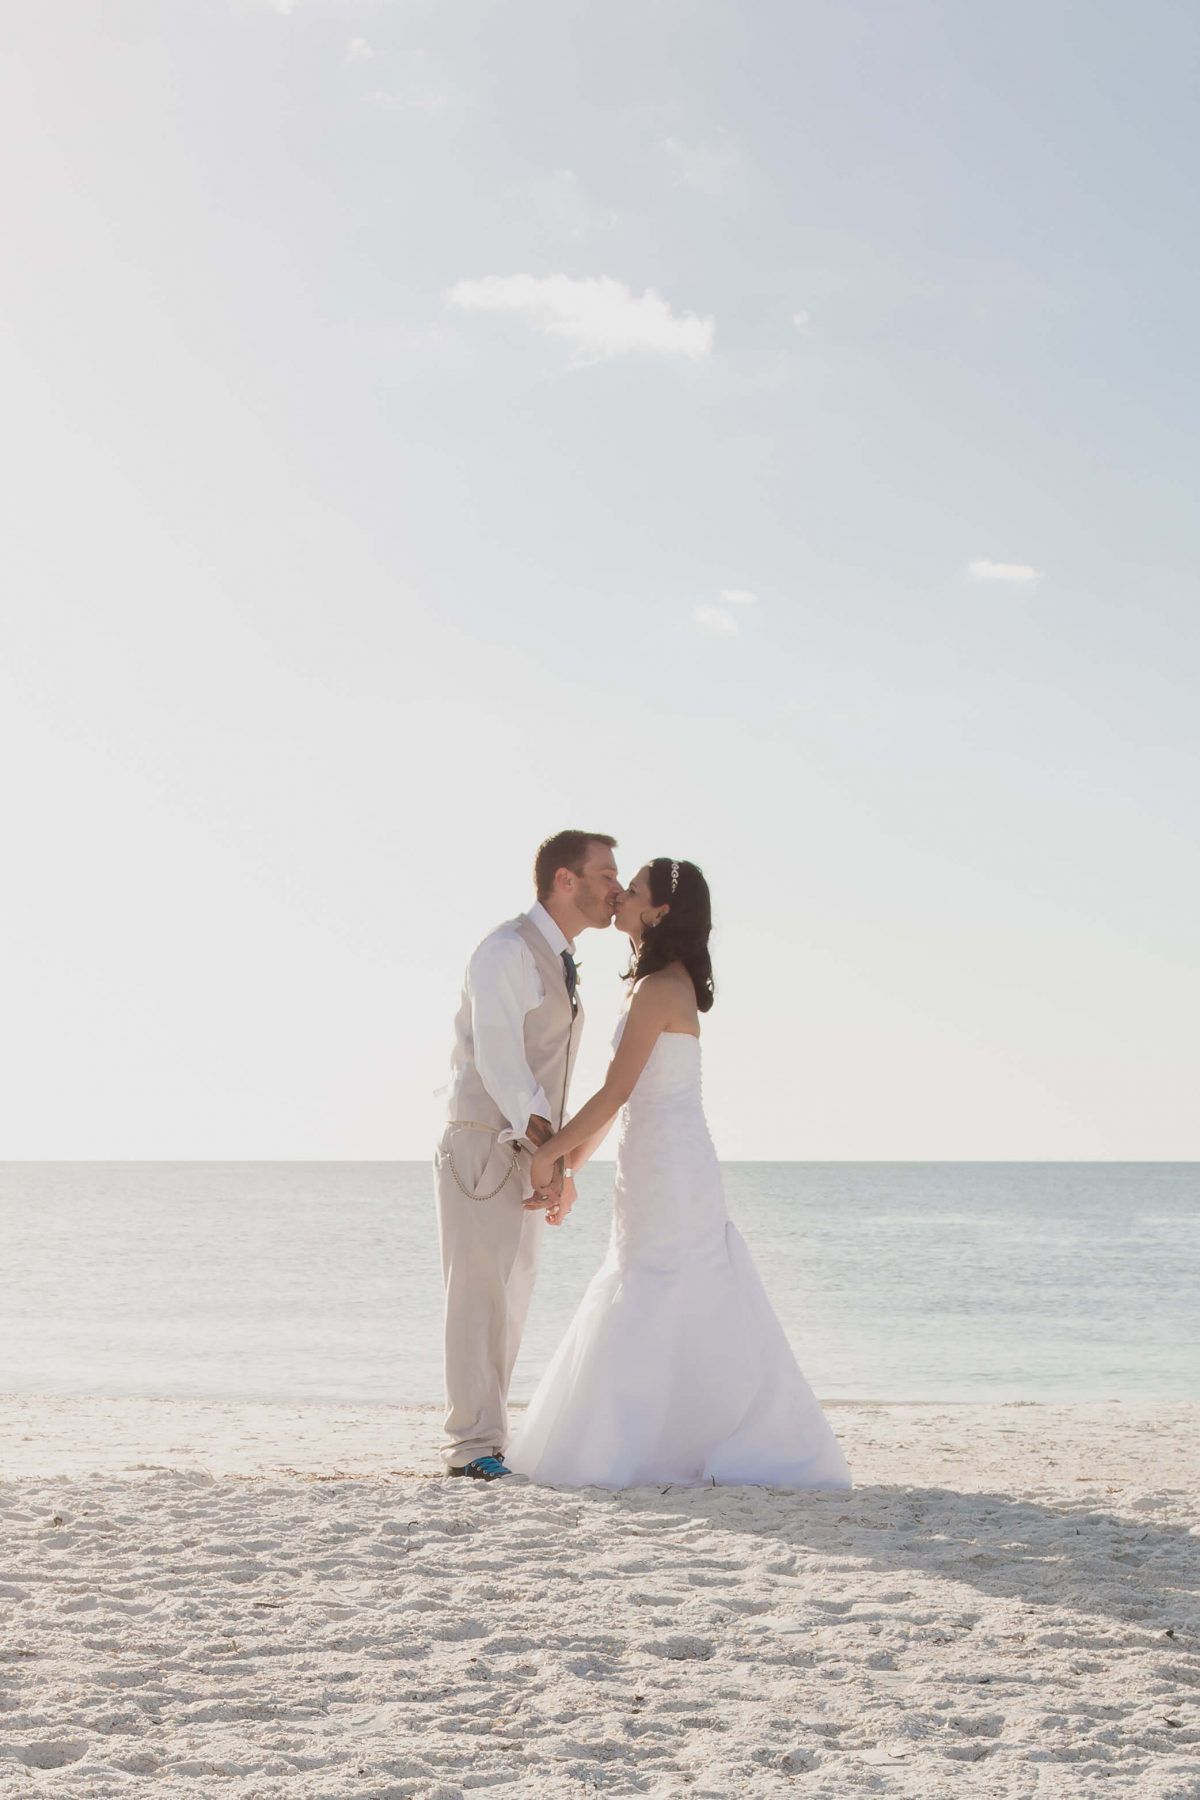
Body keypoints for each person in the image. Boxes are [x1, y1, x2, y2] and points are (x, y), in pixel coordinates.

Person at [508, 857, 851, 1491]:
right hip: (655, 1155)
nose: (620, 895)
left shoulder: (662, 988)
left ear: (660, 912)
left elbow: (613, 1094)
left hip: (670, 1162)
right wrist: (571, 1167)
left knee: (660, 1281)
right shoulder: (655, 984)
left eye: (632, 889)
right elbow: (622, 1104)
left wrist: (548, 1155)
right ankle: (662, 1440)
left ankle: (659, 1446)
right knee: (651, 1277)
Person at [435, 830, 622, 1480]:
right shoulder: (506, 950)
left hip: (528, 1145)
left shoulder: (557, 957)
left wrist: (557, 1164)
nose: (615, 888)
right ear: (564, 880)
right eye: (604, 875)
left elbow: (547, 1075)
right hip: (486, 1141)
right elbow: (501, 1059)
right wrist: (549, 1154)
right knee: (479, 1296)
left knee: (511, 1298)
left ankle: (489, 1440)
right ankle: (471, 1449)